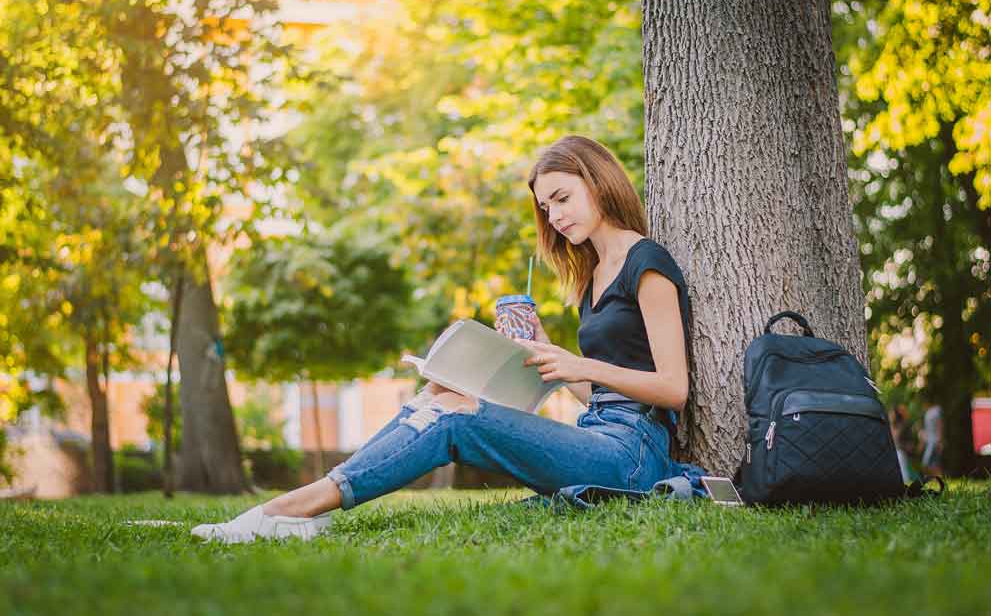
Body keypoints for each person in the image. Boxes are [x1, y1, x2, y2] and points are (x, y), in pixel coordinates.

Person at [192, 135, 702, 543]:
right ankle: (311, 504)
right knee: (438, 394)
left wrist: (582, 364)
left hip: (633, 453)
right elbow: (600, 395)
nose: (554, 216)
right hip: (598, 432)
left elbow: (673, 388)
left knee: (456, 415)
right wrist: (544, 351)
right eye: (546, 207)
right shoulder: (592, 278)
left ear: (599, 182)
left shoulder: (647, 263)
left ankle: (290, 508)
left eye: (563, 198)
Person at [920, 397, 943, 477]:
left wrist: (939, 440)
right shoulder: (928, 413)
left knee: (927, 463)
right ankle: (936, 478)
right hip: (930, 441)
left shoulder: (936, 410)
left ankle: (936, 478)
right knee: (933, 463)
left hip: (934, 441)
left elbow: (939, 425)